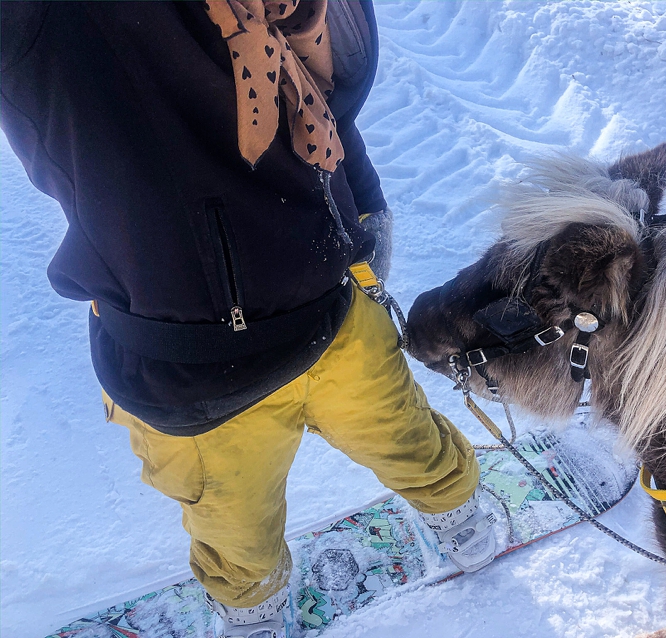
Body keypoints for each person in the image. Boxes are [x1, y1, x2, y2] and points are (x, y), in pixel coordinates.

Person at [0, 2, 496, 636]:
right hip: (191, 375)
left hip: (335, 315)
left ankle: (453, 508)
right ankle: (250, 602)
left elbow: (321, 101)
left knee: (407, 434)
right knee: (234, 521)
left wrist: (365, 204)